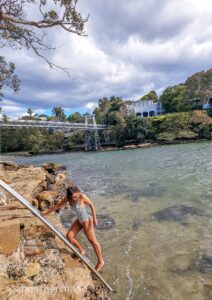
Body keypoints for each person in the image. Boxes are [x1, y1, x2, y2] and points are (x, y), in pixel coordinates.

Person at [41, 185, 104, 272]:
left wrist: (95, 218)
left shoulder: (82, 197)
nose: (74, 199)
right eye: (72, 197)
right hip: (79, 220)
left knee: (93, 241)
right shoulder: (68, 198)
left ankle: (100, 261)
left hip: (87, 221)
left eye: (75, 196)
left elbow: (91, 205)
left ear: (78, 193)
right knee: (69, 236)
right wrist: (46, 213)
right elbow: (57, 206)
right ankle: (81, 250)